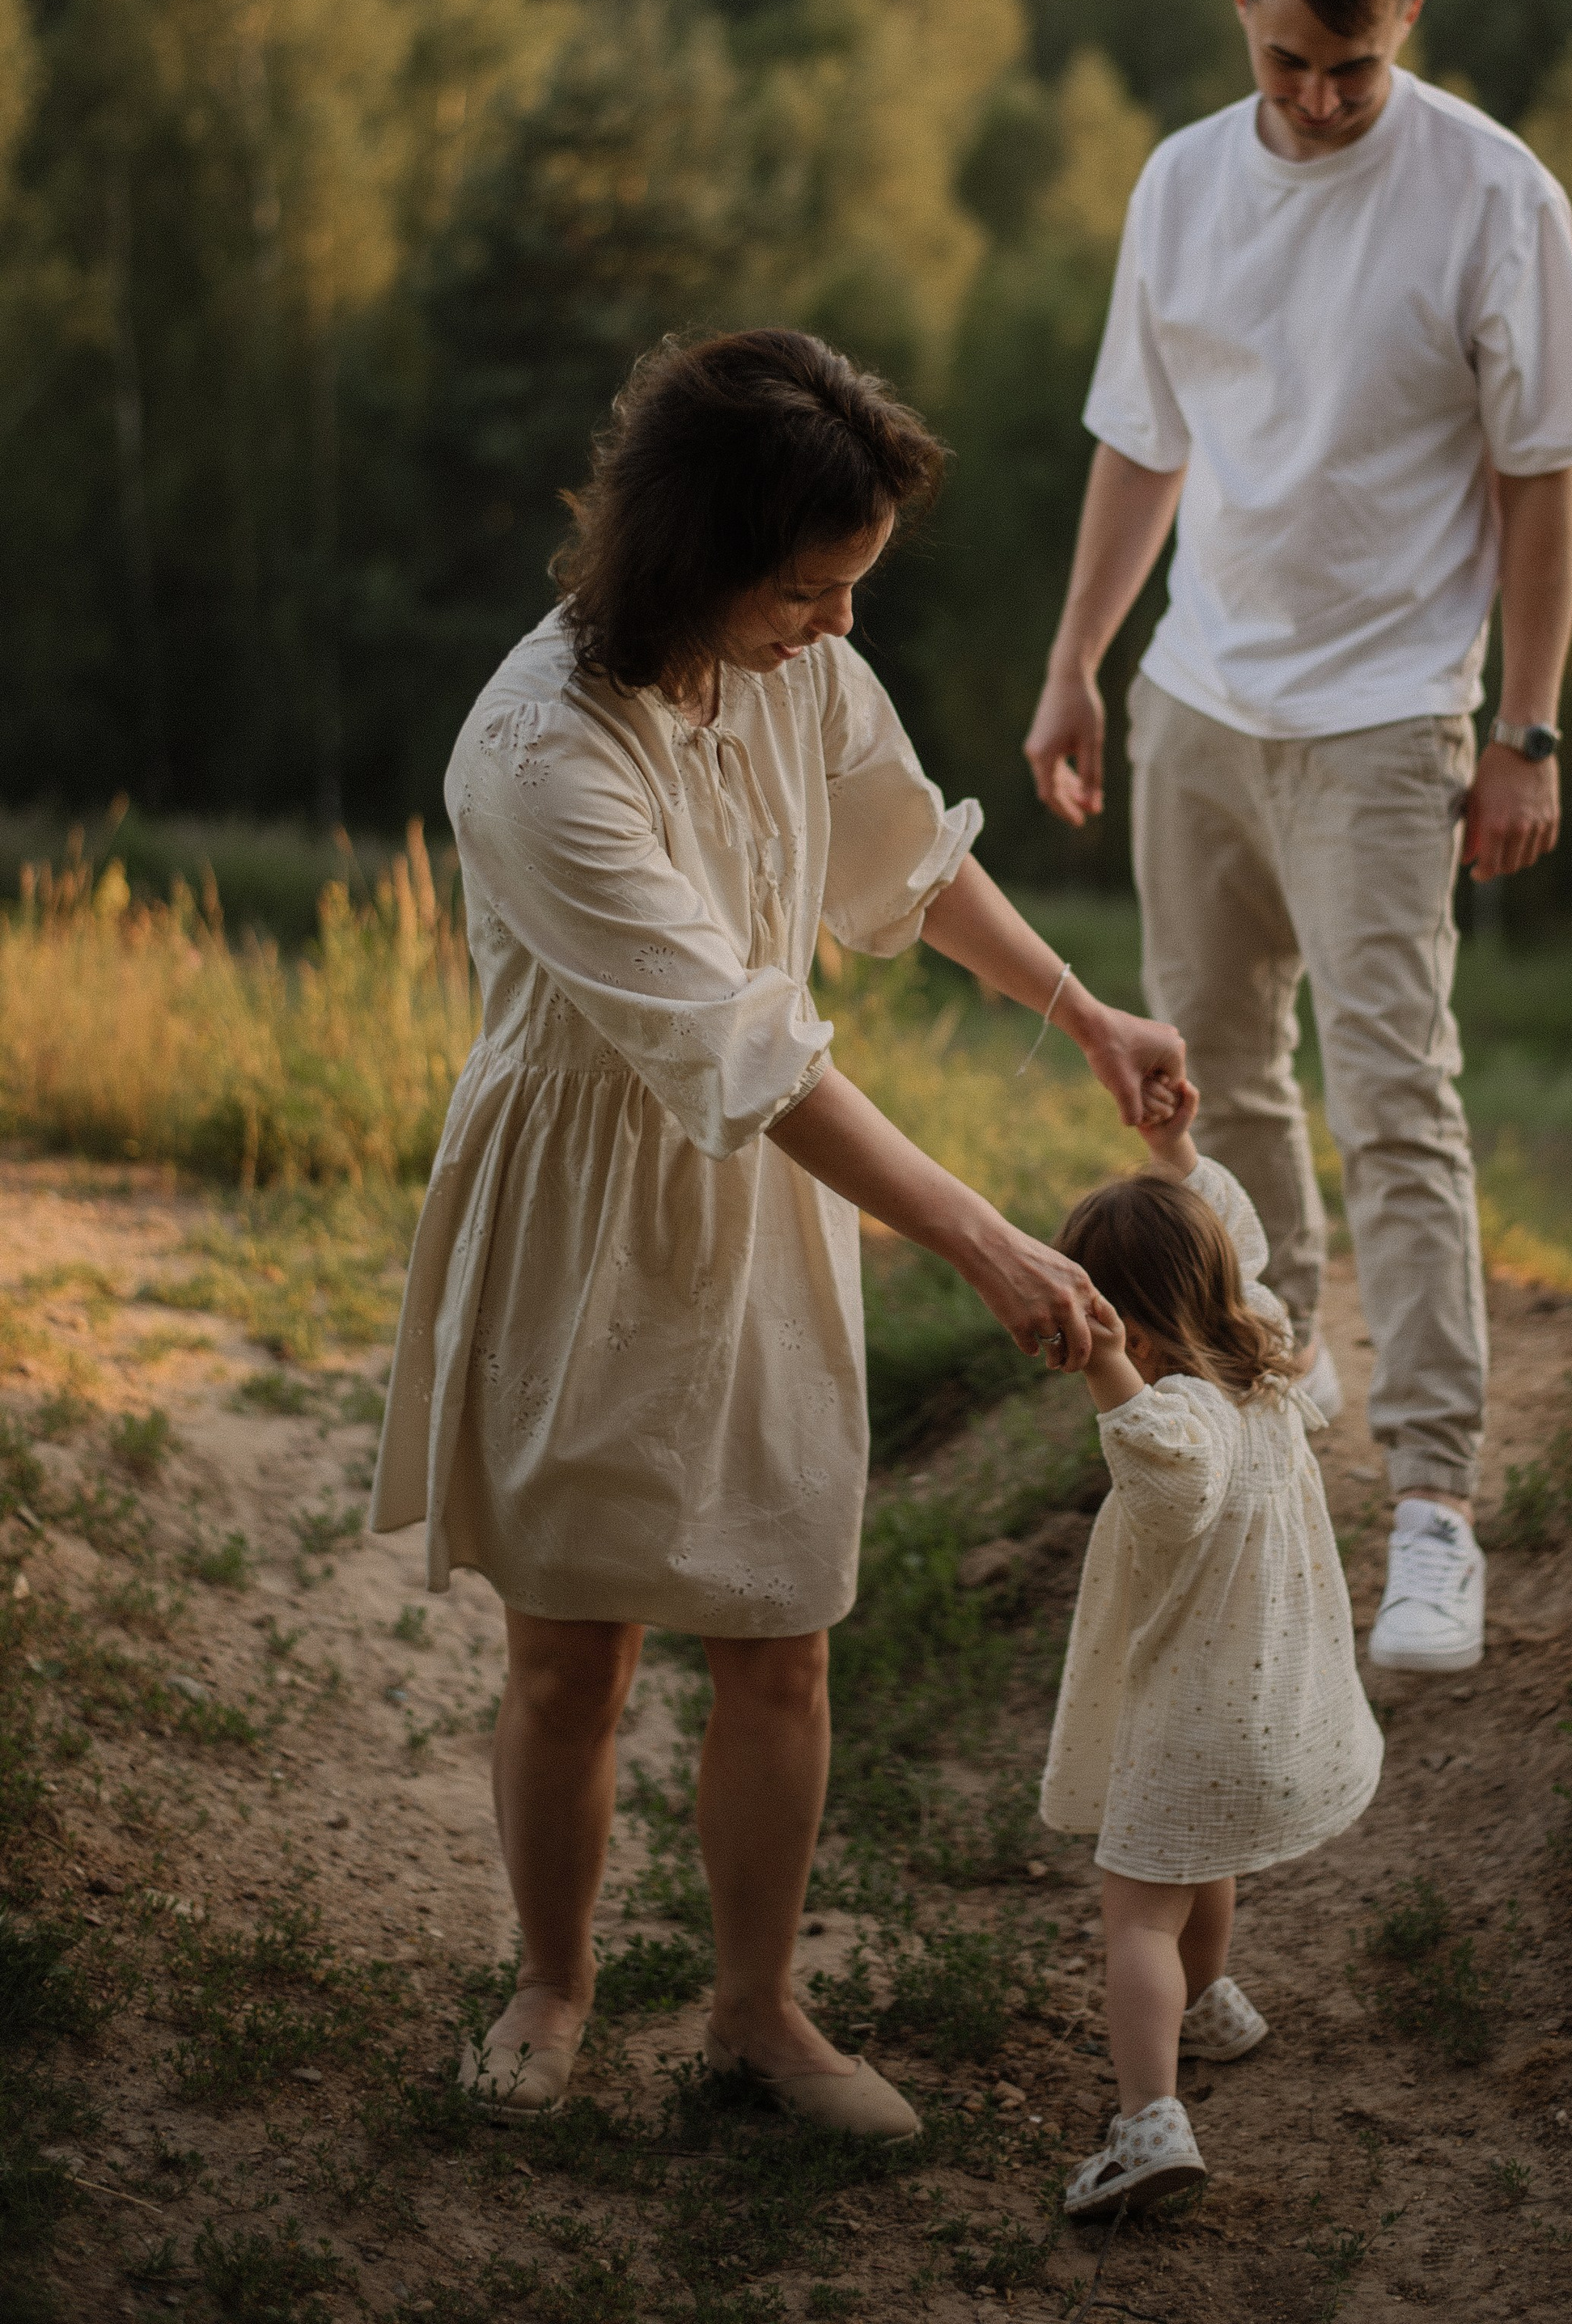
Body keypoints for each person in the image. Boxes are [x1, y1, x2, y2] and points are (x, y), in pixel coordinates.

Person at [371, 328, 1183, 2129]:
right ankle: (551, 1985)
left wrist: (1085, 1014)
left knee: (779, 1626)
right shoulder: (536, 753)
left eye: (850, 593)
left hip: (768, 1193)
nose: (833, 624)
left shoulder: (797, 668)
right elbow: (738, 1043)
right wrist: (978, 1236)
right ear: (699, 551)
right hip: (585, 1207)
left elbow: (899, 853)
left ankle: (753, 2015)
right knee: (573, 1645)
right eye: (810, 591)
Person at [1024, 0, 1572, 1676]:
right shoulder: (1179, 182)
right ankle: (1272, 1414)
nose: (1314, 98)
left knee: (1393, 1096)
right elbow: (1144, 443)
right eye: (1289, 59)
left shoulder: (1493, 195)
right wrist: (1075, 659)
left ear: (1405, 28)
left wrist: (1522, 728)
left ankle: (1433, 1503)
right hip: (1197, 704)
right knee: (1203, 1092)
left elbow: (1542, 480)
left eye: (1350, 70)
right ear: (1240, 5)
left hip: (1388, 720)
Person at [1040, 1073, 1383, 2220]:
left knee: (1137, 1908)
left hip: (1191, 1716)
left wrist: (1097, 1360)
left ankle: (1149, 2121)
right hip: (1264, 1709)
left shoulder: (1176, 1419)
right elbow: (1230, 1232)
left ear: (1128, 1324)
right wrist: (1179, 1152)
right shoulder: (1267, 1358)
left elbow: (1156, 1459)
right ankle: (1217, 2004)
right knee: (1205, 1862)